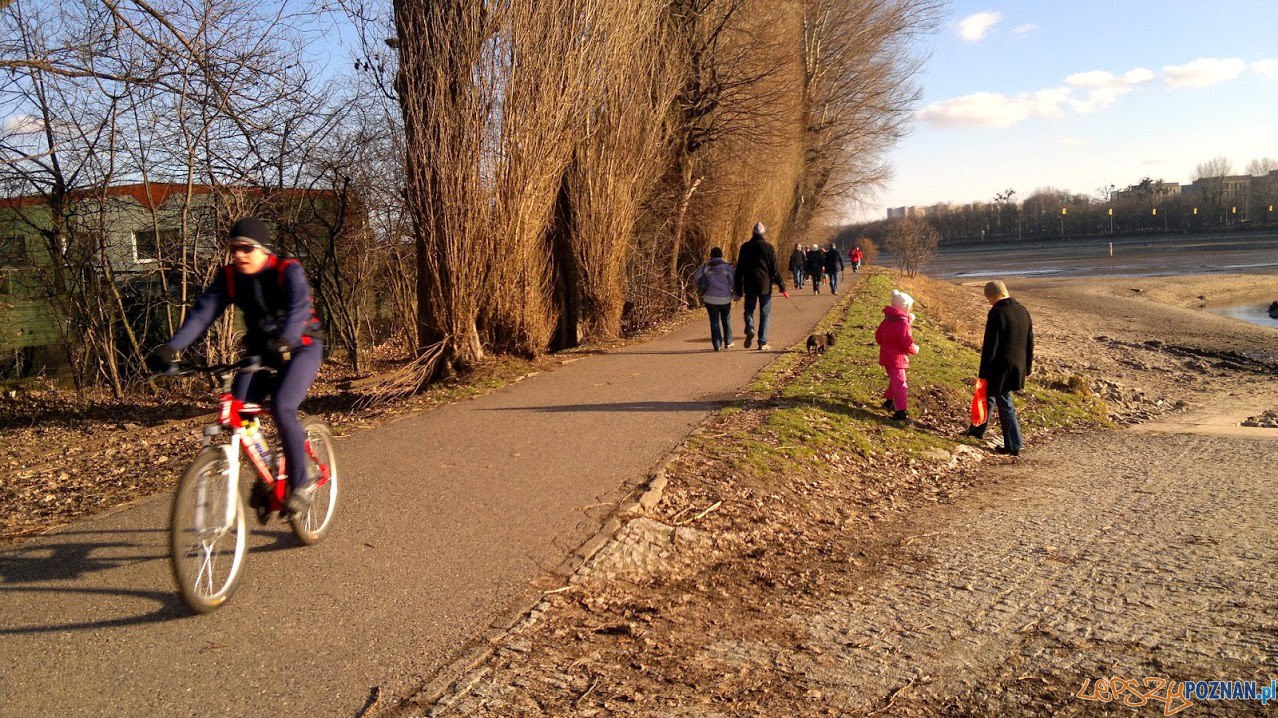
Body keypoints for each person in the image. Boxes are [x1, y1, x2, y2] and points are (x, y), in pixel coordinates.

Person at [147, 217, 325, 514]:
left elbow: (298, 309)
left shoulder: (287, 271)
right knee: (239, 409)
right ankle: (268, 470)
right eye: (234, 249)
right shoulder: (230, 277)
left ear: (264, 250)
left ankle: (302, 482)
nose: (238, 255)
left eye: (246, 248)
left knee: (282, 406)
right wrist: (172, 347)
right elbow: (203, 314)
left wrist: (285, 339)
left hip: (300, 347)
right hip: (260, 352)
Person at [974, 280, 1033, 456]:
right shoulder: (1023, 311)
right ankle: (977, 430)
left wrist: (983, 373)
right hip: (1018, 365)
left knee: (1004, 401)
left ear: (993, 296)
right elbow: (1030, 342)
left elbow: (991, 345)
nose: (988, 302)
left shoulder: (997, 313)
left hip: (1000, 366)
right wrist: (1027, 367)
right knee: (988, 397)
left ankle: (1014, 444)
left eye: (988, 298)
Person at [733, 222, 787, 351]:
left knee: (749, 310)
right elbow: (775, 269)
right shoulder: (769, 247)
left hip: (749, 284)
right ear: (763, 234)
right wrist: (782, 286)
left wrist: (738, 290)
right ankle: (762, 342)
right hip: (765, 285)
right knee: (765, 313)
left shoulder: (745, 247)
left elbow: (739, 269)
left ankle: (750, 327)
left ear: (753, 233)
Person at [875, 290, 919, 423]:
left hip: (886, 357)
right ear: (905, 308)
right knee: (900, 384)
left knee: (894, 380)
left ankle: (889, 402)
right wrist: (915, 349)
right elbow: (907, 343)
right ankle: (900, 412)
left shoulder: (888, 320)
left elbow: (878, 338)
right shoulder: (903, 324)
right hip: (897, 359)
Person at [693, 247, 735, 351]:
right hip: (725, 298)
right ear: (721, 255)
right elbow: (733, 282)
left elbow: (696, 278)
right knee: (726, 319)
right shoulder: (727, 268)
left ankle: (717, 345)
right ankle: (728, 342)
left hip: (710, 299)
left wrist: (704, 286)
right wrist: (737, 294)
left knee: (714, 321)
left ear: (711, 256)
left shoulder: (705, 267)